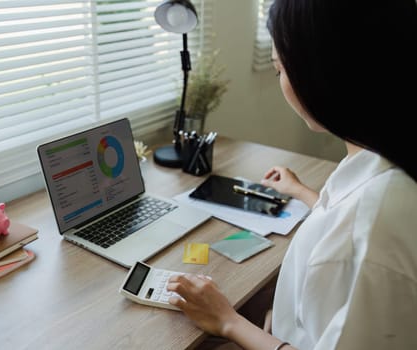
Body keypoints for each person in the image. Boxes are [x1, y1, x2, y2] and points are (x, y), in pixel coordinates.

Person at [166, 0, 417, 349]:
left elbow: (363, 234)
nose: (282, 81)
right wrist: (302, 192)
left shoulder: (380, 216)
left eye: (279, 69)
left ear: (321, 72)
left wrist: (228, 321)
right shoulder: (383, 157)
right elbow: (349, 230)